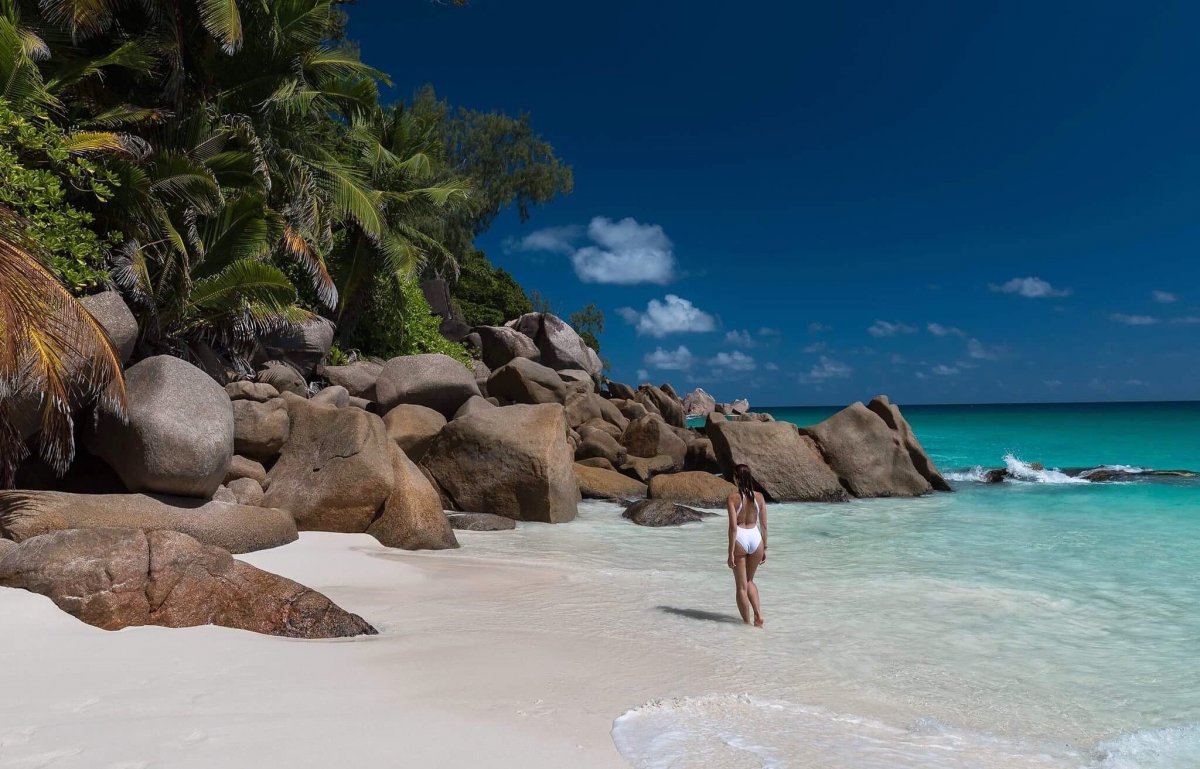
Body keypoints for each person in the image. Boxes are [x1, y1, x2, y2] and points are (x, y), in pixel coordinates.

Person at [726, 463, 767, 627]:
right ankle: (758, 613)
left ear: (736, 478)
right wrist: (765, 548)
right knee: (750, 581)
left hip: (741, 538)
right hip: (756, 539)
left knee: (741, 587)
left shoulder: (732, 498)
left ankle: (746, 625)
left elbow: (733, 527)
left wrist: (730, 553)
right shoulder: (760, 497)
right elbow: (764, 525)